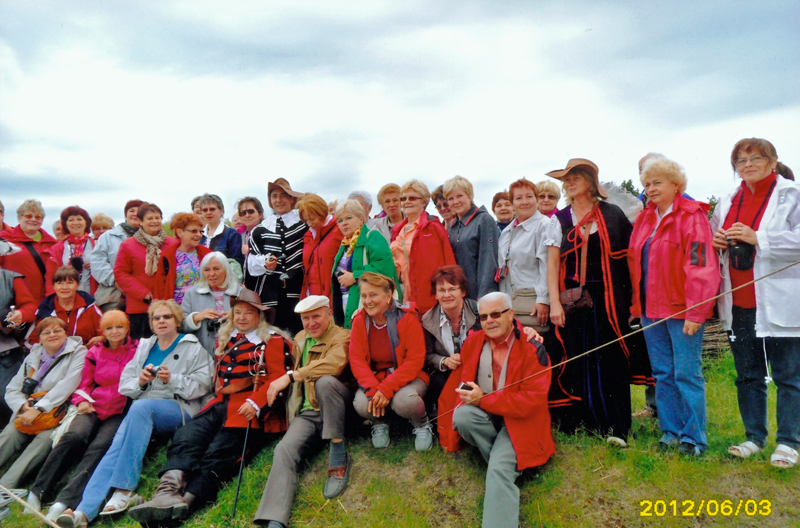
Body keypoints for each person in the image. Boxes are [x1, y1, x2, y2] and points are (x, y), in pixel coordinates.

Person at [128, 289, 291, 524]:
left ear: (259, 316)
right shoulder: (230, 339)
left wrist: (256, 402)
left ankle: (183, 506)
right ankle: (166, 492)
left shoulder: (272, 342)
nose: (242, 317)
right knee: (187, 437)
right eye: (237, 312)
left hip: (248, 409)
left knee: (218, 454)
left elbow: (279, 380)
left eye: (248, 313)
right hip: (219, 404)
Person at [58, 300, 212, 527]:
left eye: (167, 317)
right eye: (156, 318)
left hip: (179, 407)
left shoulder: (191, 345)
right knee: (116, 445)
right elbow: (125, 384)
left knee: (139, 408)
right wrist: (140, 381)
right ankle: (84, 511)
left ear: (177, 320)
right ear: (151, 323)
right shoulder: (145, 346)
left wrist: (173, 379)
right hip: (144, 409)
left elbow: (204, 384)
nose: (161, 321)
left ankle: (124, 489)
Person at [545, 158, 652, 445]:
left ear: (591, 182)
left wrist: (634, 302)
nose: (569, 183)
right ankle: (585, 422)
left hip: (610, 301)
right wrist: (554, 303)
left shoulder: (613, 213)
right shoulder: (560, 219)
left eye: (575, 177)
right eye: (566, 180)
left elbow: (630, 260)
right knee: (576, 358)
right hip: (574, 303)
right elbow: (552, 264)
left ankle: (616, 427)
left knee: (612, 359)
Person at [711, 138, 800, 468]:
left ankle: (789, 442)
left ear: (773, 160)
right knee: (748, 375)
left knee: (788, 375)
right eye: (740, 160)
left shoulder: (792, 195)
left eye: (756, 158)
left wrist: (758, 237)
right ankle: (754, 437)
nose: (747, 164)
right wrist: (717, 241)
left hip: (780, 301)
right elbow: (713, 241)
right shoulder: (727, 201)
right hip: (739, 302)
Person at [437, 292, 555, 528]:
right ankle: (512, 463)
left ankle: (503, 466)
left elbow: (529, 403)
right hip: (489, 417)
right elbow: (458, 384)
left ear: (511, 314)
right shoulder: (474, 341)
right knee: (462, 415)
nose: (489, 321)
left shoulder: (533, 348)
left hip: (521, 423)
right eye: (483, 317)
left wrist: (483, 400)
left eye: (495, 314)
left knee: (499, 470)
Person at [628, 156, 719, 456]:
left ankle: (693, 438)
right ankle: (670, 432)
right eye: (646, 184)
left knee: (686, 373)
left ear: (676, 184)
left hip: (682, 311)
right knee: (662, 373)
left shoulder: (692, 216)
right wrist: (637, 308)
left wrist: (696, 311)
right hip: (650, 312)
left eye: (657, 183)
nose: (650, 189)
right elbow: (636, 266)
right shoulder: (644, 219)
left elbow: (700, 266)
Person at [253, 295, 353, 528]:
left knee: (325, 382)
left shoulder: (343, 336)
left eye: (316, 316)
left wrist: (292, 376)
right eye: (306, 318)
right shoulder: (299, 338)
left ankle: (338, 454)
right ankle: (274, 519)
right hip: (308, 412)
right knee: (283, 450)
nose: (311, 323)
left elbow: (334, 363)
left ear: (329, 314)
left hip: (338, 406)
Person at [30, 310, 138, 522]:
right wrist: (82, 401)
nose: (114, 332)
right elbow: (84, 382)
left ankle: (65, 501)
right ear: (102, 331)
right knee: (74, 436)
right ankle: (38, 491)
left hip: (120, 409)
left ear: (127, 329)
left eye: (119, 327)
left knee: (100, 447)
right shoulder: (95, 351)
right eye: (109, 328)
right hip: (93, 405)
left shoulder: (138, 350)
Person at [0, 318, 87, 501]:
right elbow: (12, 389)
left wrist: (38, 409)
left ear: (66, 333)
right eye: (46, 333)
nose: (52, 335)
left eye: (57, 331)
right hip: (28, 411)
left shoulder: (78, 352)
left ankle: (4, 487)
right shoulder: (33, 355)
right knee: (9, 434)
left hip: (57, 413)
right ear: (39, 338)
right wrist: (23, 406)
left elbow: (67, 385)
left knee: (41, 444)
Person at [349, 272, 432, 451]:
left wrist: (386, 389)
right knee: (361, 403)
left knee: (404, 401)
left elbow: (415, 360)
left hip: (409, 378)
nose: (368, 301)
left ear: (388, 297)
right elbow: (356, 360)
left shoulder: (407, 318)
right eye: (364, 296)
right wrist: (373, 390)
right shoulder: (359, 321)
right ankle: (380, 422)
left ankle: (421, 424)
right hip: (376, 378)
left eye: (373, 295)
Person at [247, 178, 308, 334]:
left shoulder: (304, 225)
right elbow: (251, 263)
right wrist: (265, 263)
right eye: (274, 196)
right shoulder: (260, 230)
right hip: (270, 296)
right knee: (272, 337)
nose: (278, 200)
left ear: (292, 199)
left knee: (300, 334)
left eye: (283, 195)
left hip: (298, 292)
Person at [330, 200, 399, 329]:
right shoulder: (345, 244)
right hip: (345, 306)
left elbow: (384, 268)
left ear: (361, 219)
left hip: (367, 307)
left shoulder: (373, 237)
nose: (344, 223)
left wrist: (355, 276)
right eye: (340, 220)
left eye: (349, 218)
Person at [421, 265, 481, 412]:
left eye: (452, 289)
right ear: (435, 294)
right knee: (437, 381)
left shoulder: (480, 312)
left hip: (477, 368)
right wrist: (444, 361)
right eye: (441, 290)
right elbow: (427, 355)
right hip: (447, 373)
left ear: (463, 291)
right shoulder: (427, 320)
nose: (447, 295)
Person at [390, 179, 455, 313]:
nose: (407, 202)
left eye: (412, 198)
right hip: (404, 295)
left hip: (429, 298)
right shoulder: (398, 230)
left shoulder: (433, 228)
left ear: (424, 201)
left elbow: (448, 264)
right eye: (403, 198)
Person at [114, 202, 178, 340]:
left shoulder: (173, 243)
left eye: (157, 218)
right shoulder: (128, 245)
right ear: (140, 221)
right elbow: (120, 272)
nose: (154, 221)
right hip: (140, 307)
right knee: (141, 346)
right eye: (150, 218)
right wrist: (143, 293)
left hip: (168, 305)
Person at [498, 179, 550, 331]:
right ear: (512, 203)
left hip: (532, 303)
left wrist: (543, 299)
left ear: (536, 199)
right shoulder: (507, 231)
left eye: (529, 196)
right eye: (519, 198)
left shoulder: (544, 225)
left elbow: (547, 265)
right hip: (511, 304)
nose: (524, 202)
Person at [0, 239, 38, 426]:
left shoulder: (12, 277)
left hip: (5, 349)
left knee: (4, 398)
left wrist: (19, 315)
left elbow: (30, 306)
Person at [445, 175, 499, 300]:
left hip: (478, 294)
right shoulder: (452, 226)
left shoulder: (484, 219)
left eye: (460, 196)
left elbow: (488, 259)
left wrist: (485, 294)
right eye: (451, 198)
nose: (456, 201)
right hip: (459, 294)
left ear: (470, 196)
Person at [180, 252, 243, 356]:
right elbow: (181, 327)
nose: (211, 274)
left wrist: (234, 317)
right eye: (207, 270)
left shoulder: (240, 293)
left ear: (226, 270)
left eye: (216, 269)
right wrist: (196, 318)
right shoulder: (192, 294)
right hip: (201, 354)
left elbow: (254, 325)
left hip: (235, 353)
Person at [0, 199, 58, 305]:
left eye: (38, 217)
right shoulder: (5, 238)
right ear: (19, 218)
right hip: (14, 301)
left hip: (44, 302)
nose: (33, 219)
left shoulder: (53, 244)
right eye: (28, 216)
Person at [90, 199, 143, 312]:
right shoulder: (108, 236)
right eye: (131, 210)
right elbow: (97, 262)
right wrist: (116, 280)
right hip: (113, 295)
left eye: (139, 211)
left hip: (144, 295)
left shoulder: (152, 238)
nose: (135, 213)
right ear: (125, 214)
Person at [31, 266, 103, 348]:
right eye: (59, 283)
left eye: (70, 283)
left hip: (87, 352)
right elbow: (34, 340)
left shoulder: (90, 307)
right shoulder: (44, 310)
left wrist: (101, 338)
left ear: (78, 285)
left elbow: (105, 331)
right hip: (55, 353)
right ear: (54, 286)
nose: (64, 287)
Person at [153, 212, 211, 305]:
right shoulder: (167, 256)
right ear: (180, 232)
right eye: (194, 231)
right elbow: (160, 288)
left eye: (201, 231)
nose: (199, 235)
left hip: (202, 307)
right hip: (175, 309)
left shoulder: (207, 254)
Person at [297, 193, 343, 303]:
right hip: (312, 297)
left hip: (334, 296)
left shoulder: (339, 229)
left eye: (312, 219)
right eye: (306, 220)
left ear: (322, 213)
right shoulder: (308, 236)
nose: (309, 224)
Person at [45, 206, 95, 296]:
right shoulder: (56, 249)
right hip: (65, 296)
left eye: (79, 219)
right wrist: (52, 298)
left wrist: (97, 265)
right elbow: (50, 278)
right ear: (65, 224)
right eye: (71, 220)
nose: (75, 223)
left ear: (86, 222)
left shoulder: (97, 245)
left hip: (93, 295)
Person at [197, 193, 244, 267]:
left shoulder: (232, 234)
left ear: (222, 211)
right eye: (205, 210)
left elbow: (236, 264)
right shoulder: (198, 235)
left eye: (212, 209)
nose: (208, 212)